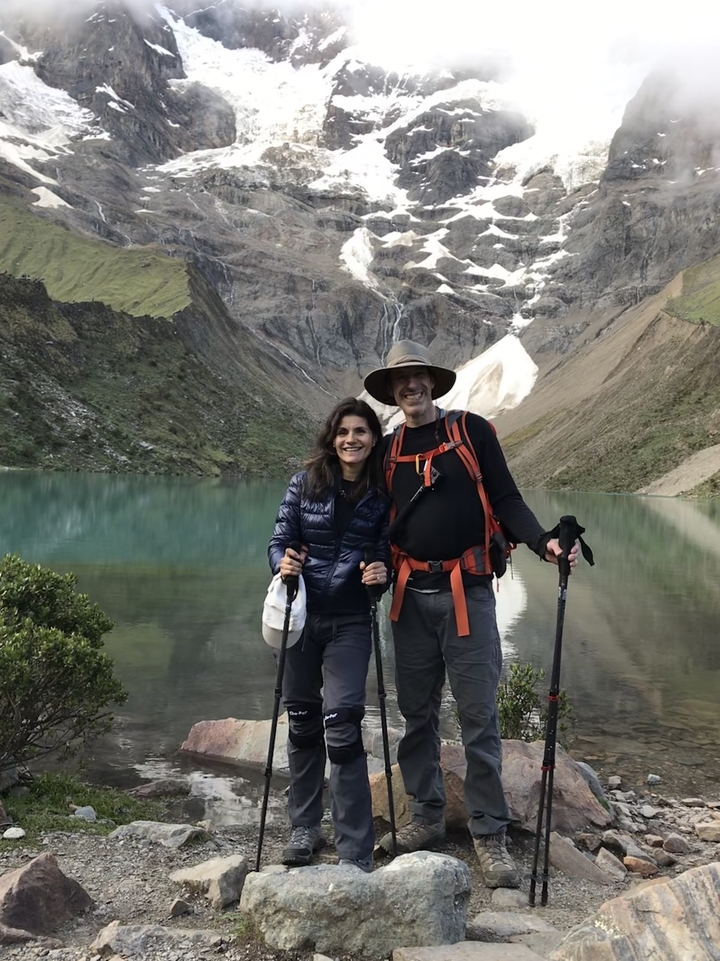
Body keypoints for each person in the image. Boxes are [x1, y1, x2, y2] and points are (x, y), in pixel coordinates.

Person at [363, 340, 579, 889]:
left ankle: (489, 833)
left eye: (418, 377)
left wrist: (543, 542)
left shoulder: (471, 431)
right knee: (417, 717)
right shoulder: (386, 451)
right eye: (400, 380)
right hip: (409, 598)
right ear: (391, 390)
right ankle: (427, 818)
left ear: (432, 382)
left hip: (471, 595)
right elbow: (370, 520)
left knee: (480, 719)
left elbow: (506, 499)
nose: (410, 386)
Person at [268, 397, 390, 872]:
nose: (350, 440)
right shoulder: (304, 484)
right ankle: (304, 827)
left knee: (341, 726)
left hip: (350, 621)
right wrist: (281, 562)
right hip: (300, 615)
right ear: (331, 437)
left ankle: (354, 846)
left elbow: (385, 554)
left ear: (373, 439)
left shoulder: (381, 496)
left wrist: (382, 572)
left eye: (360, 431)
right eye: (343, 432)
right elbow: (279, 540)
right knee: (301, 720)